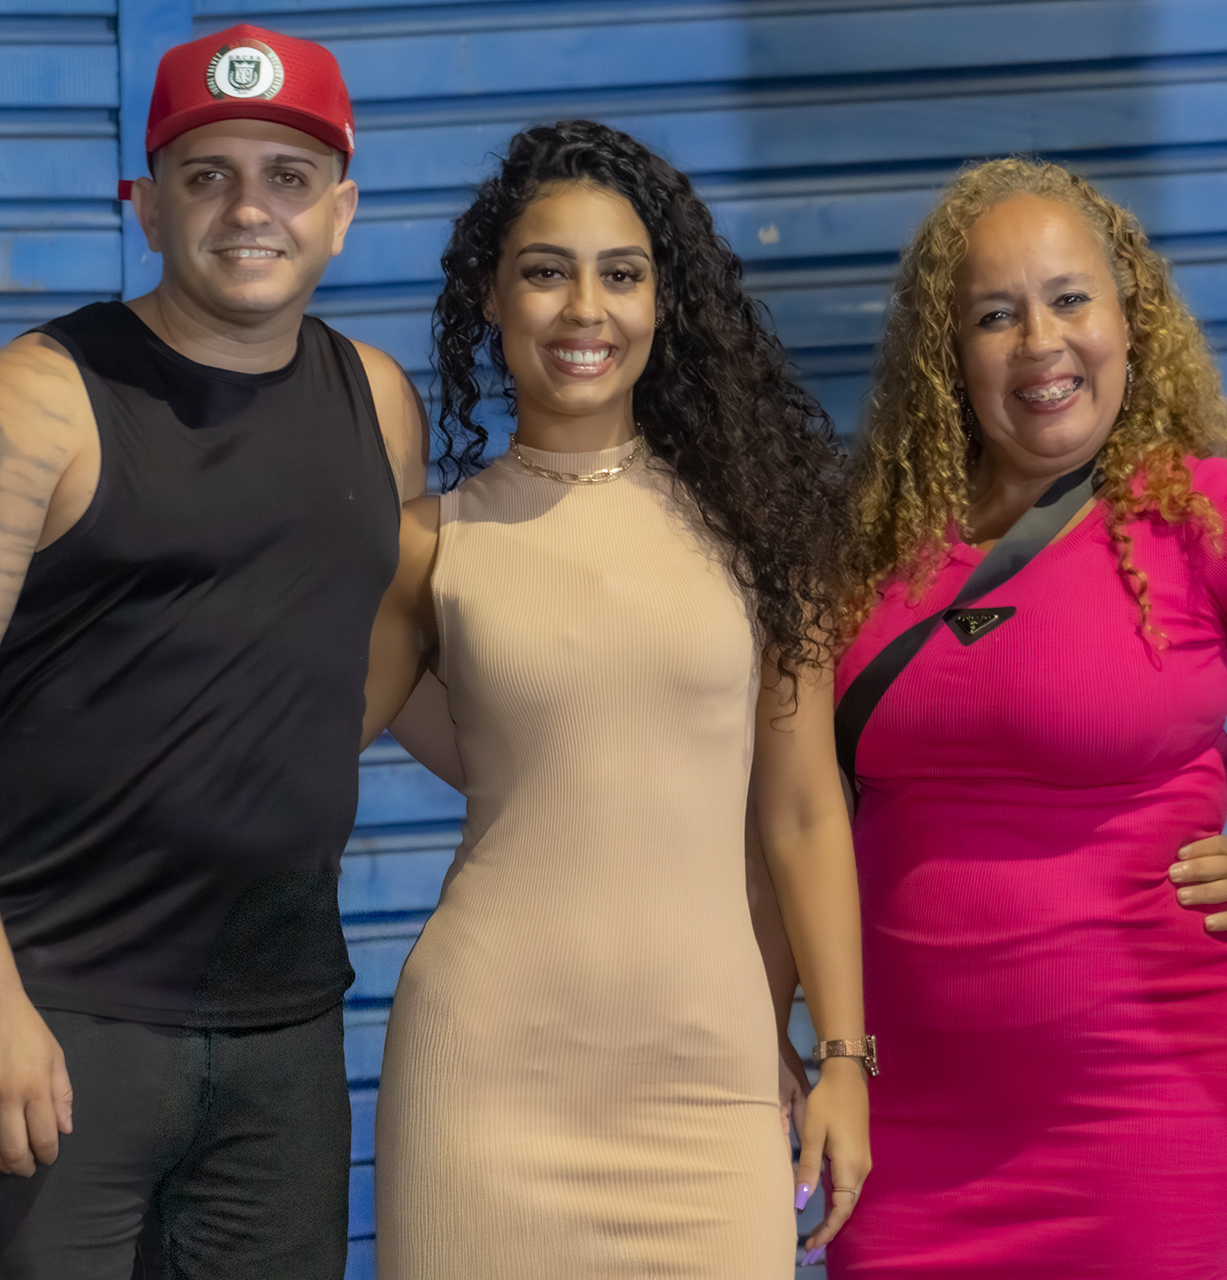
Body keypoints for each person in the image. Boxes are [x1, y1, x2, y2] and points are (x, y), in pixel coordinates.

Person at [823, 157, 1227, 1278]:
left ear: (1130, 318)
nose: (1041, 342)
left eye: (1071, 298)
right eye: (995, 315)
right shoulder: (876, 542)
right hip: (909, 1121)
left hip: (1155, 1102)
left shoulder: (1200, 513)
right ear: (947, 354)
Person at [0, 25, 425, 1279]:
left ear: (342, 213)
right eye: (206, 174)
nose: (249, 209)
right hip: (62, 1009)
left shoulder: (379, 403)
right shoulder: (29, 403)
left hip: (285, 1021)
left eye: (288, 175)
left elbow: (384, 636)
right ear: (148, 205)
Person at [359, 120, 872, 1279]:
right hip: (485, 1080)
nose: (585, 308)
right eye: (546, 271)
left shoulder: (764, 538)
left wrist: (841, 1053)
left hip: (710, 1091)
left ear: (664, 300)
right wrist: (65, 694)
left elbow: (802, 813)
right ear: (492, 296)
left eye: (622, 274)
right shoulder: (426, 546)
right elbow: (284, 743)